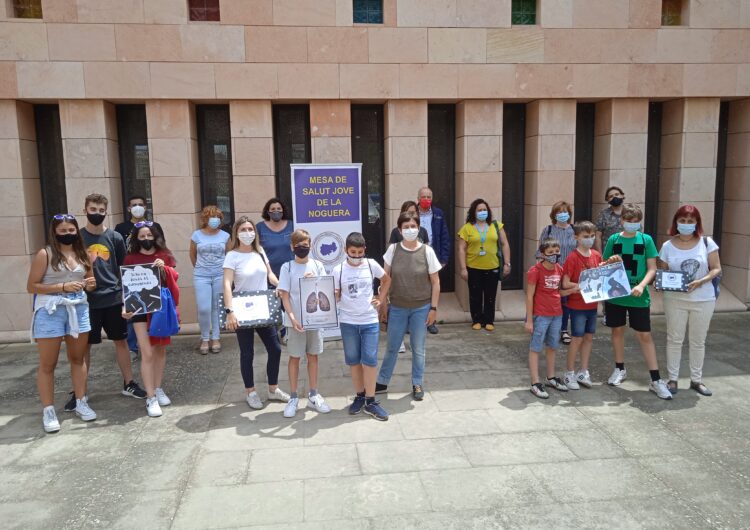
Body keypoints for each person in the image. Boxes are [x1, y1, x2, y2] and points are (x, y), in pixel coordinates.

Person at [70, 193, 146, 414]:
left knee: (121, 341)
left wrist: (127, 300)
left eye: (101, 211)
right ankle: (79, 393)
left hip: (113, 298)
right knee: (85, 347)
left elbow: (124, 270)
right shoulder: (77, 239)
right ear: (85, 210)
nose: (97, 214)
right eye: (92, 210)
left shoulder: (115, 237)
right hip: (87, 302)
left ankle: (128, 383)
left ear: (106, 212)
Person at [28, 214, 98, 432]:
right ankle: (48, 409)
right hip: (50, 311)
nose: (68, 234)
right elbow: (32, 286)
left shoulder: (82, 253)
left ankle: (80, 401)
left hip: (78, 309)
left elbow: (90, 282)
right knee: (48, 363)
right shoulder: (45, 254)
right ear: (54, 232)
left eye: (71, 230)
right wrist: (62, 287)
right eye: (63, 231)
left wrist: (90, 284)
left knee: (78, 358)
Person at [602, 203, 671, 399]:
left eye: (636, 221)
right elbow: (604, 265)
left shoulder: (646, 239)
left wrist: (641, 285)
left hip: (639, 297)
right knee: (617, 331)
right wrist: (610, 262)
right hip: (616, 295)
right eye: (629, 221)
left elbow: (652, 268)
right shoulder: (614, 239)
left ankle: (656, 379)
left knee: (644, 335)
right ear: (622, 220)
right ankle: (619, 368)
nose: (632, 224)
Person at [223, 217, 291, 409]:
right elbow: (227, 284)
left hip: (263, 307)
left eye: (250, 229)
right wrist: (230, 311)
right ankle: (250, 392)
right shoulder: (232, 256)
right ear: (237, 233)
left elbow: (269, 274)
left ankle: (273, 388)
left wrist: (281, 286)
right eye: (243, 229)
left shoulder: (259, 252)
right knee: (247, 353)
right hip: (241, 309)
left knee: (275, 349)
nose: (247, 233)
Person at [375, 211, 441, 401]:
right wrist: (383, 306)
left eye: (413, 226)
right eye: (406, 227)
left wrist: (433, 309)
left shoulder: (427, 251)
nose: (410, 230)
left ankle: (417, 382)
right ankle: (382, 381)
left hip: (421, 308)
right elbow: (385, 279)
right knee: (392, 347)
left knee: (418, 348)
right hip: (397, 307)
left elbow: (436, 282)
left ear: (419, 228)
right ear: (399, 229)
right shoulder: (393, 250)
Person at [658, 205, 721, 396]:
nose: (686, 224)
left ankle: (696, 380)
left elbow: (716, 268)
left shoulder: (706, 243)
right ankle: (673, 379)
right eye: (682, 221)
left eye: (690, 221)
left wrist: (701, 281)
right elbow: (664, 272)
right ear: (676, 223)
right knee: (674, 339)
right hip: (675, 299)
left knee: (698, 341)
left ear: (697, 223)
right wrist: (663, 282)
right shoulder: (667, 246)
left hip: (703, 299)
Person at [122, 222, 179, 417]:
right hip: (139, 310)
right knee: (146, 352)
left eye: (149, 235)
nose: (146, 239)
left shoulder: (165, 256)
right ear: (136, 239)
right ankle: (150, 397)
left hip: (160, 309)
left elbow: (174, 279)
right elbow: (127, 286)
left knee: (160, 351)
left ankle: (157, 387)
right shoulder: (130, 258)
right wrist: (125, 307)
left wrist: (165, 269)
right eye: (142, 236)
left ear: (155, 236)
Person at [333, 232, 391, 421]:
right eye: (352, 252)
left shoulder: (371, 264)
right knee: (354, 360)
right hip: (348, 321)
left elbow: (387, 279)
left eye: (359, 252)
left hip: (369, 321)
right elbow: (334, 293)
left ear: (364, 250)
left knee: (370, 360)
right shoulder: (338, 269)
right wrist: (335, 295)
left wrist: (381, 300)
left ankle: (371, 400)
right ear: (345, 251)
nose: (356, 256)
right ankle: (359, 396)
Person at [277, 229, 332, 418]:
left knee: (313, 356)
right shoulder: (287, 267)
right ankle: (293, 397)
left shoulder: (317, 265)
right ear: (292, 247)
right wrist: (292, 318)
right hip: (295, 323)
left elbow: (326, 289)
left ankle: (314, 394)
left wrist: (314, 280)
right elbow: (284, 296)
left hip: (314, 321)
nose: (302, 248)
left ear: (310, 245)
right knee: (294, 357)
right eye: (298, 245)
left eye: (305, 245)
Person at [525, 238, 577, 399]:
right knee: (536, 347)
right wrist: (529, 320)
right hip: (541, 315)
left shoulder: (559, 269)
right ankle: (535, 381)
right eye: (550, 253)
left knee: (553, 346)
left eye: (556, 252)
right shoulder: (535, 271)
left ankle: (551, 376)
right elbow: (529, 296)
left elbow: (558, 291)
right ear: (542, 254)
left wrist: (572, 290)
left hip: (557, 314)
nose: (554, 255)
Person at [114, 195, 164, 360]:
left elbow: (162, 247)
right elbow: (119, 251)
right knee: (133, 310)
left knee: (152, 309)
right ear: (129, 208)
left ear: (145, 207)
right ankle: (133, 347)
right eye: (134, 205)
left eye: (140, 205)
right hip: (131, 274)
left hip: (151, 273)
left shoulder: (154, 226)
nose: (137, 207)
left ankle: (153, 343)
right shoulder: (121, 227)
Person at [457, 198, 511, 331]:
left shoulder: (497, 226)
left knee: (490, 295)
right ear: (473, 212)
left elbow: (505, 244)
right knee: (475, 295)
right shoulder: (467, 228)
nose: (482, 212)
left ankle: (489, 320)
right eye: (479, 210)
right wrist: (463, 268)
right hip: (473, 268)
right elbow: (461, 249)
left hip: (492, 266)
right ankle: (476, 320)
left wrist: (507, 263)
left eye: (484, 210)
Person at [561, 221, 601, 390]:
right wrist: (577, 286)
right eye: (586, 236)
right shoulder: (572, 258)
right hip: (577, 305)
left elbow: (600, 276)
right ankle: (569, 372)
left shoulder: (596, 256)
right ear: (576, 237)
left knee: (589, 337)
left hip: (592, 304)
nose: (589, 239)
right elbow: (565, 282)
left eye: (592, 236)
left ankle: (583, 371)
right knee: (576, 338)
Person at [190, 205, 230, 354]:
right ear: (205, 218)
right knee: (204, 308)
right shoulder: (196, 235)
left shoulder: (225, 236)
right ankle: (204, 337)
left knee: (217, 307)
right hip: (201, 276)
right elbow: (192, 255)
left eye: (218, 217)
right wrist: (201, 268)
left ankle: (216, 338)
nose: (215, 220)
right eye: (212, 216)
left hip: (220, 274)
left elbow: (229, 255)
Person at [538, 201, 576, 344]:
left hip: (569, 272)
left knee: (566, 302)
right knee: (552, 300)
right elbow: (540, 252)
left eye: (565, 211)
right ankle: (548, 328)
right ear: (554, 215)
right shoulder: (548, 230)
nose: (562, 214)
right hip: (551, 272)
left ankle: (564, 330)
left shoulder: (574, 230)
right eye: (559, 212)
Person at [417, 187, 450, 335]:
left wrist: (443, 259)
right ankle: (416, 322)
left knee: (432, 290)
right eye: (423, 196)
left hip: (433, 256)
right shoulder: (412, 212)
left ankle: (431, 322)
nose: (426, 199)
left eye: (429, 197)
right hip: (415, 256)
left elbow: (444, 237)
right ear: (418, 198)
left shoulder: (438, 214)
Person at [256, 198, 294, 280]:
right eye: (273, 209)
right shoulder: (259, 227)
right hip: (268, 274)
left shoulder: (292, 225)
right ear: (268, 212)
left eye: (279, 209)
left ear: (283, 210)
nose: (276, 211)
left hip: (290, 272)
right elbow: (255, 248)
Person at [594, 186, 625, 252]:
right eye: (611, 196)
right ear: (608, 200)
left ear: (622, 195)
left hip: (628, 251)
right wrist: (600, 255)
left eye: (617, 194)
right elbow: (597, 236)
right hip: (609, 253)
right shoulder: (604, 214)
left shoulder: (630, 212)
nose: (614, 197)